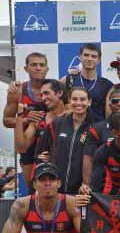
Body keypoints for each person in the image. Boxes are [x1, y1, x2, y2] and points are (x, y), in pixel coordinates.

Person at [35, 87, 93, 195]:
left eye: (82, 99)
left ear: (89, 102)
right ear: (69, 101)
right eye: (74, 99)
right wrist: (45, 160)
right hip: (55, 190)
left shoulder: (94, 127)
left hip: (81, 191)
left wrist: (88, 183)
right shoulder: (57, 123)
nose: (78, 103)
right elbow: (40, 152)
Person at [82, 89, 120, 191]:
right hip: (107, 188)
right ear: (109, 104)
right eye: (115, 101)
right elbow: (88, 158)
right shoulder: (96, 129)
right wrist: (87, 185)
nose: (119, 104)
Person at [4, 52, 48, 187]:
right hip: (27, 144)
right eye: (34, 65)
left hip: (49, 143)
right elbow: (6, 120)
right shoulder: (18, 91)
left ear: (47, 69)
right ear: (26, 68)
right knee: (32, 185)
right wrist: (24, 120)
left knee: (53, 184)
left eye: (42, 65)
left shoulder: (54, 88)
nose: (38, 68)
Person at [14, 80, 65, 177]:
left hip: (68, 175)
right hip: (44, 177)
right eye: (41, 95)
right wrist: (19, 116)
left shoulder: (72, 117)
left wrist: (54, 157)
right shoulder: (38, 119)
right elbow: (21, 148)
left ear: (59, 93)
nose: (43, 98)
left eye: (46, 93)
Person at [62, 43, 113, 123]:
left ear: (99, 60)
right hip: (73, 130)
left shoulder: (107, 85)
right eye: (86, 55)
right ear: (80, 57)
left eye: (93, 56)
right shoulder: (67, 80)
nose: (89, 59)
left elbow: (108, 115)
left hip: (97, 130)